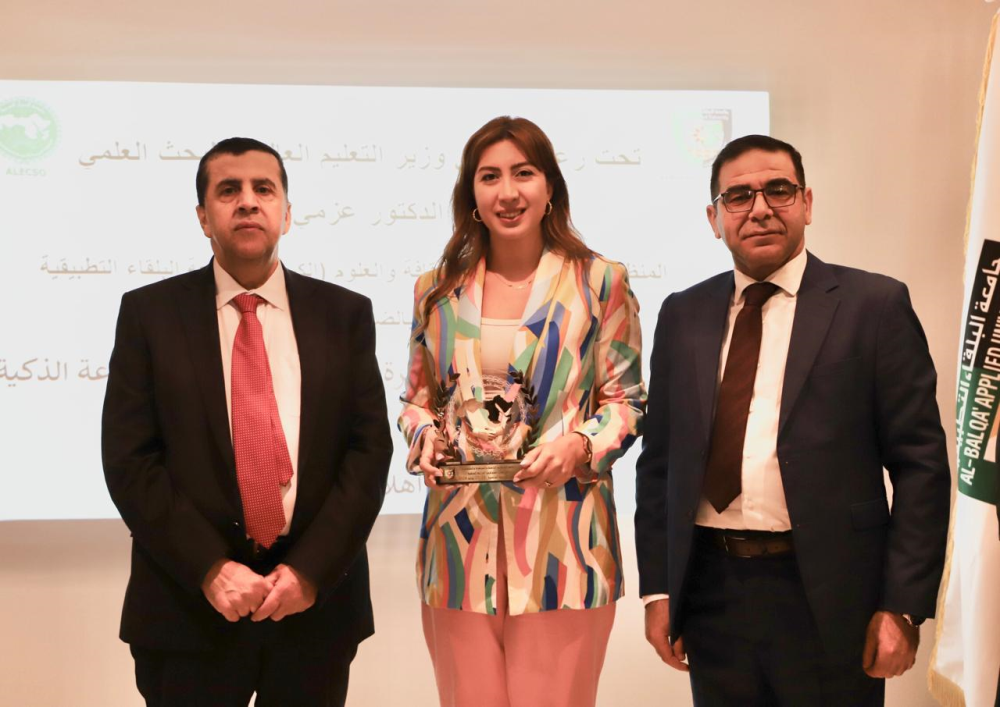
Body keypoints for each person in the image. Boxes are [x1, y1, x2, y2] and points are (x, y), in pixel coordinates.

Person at [635, 134, 951, 705]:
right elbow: (659, 463)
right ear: (714, 218)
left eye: (777, 190)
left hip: (833, 595)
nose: (759, 208)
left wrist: (902, 605)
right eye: (738, 196)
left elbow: (920, 466)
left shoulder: (873, 306)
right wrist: (658, 590)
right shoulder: (683, 313)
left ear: (806, 203)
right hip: (711, 592)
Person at [101, 137, 392, 707]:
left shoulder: (345, 313)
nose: (248, 201)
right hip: (188, 609)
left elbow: (367, 453)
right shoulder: (149, 313)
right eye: (228, 190)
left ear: (287, 211)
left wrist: (309, 572)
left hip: (313, 612)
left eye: (264, 189)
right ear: (202, 217)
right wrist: (210, 568)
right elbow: (130, 460)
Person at [398, 116, 645, 707]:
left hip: (566, 544)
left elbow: (627, 401)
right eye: (490, 177)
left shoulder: (600, 282)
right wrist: (423, 433)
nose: (507, 192)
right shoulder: (436, 290)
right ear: (472, 195)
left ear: (549, 186)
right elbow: (416, 400)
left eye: (523, 173)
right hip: (458, 545)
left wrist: (580, 445)